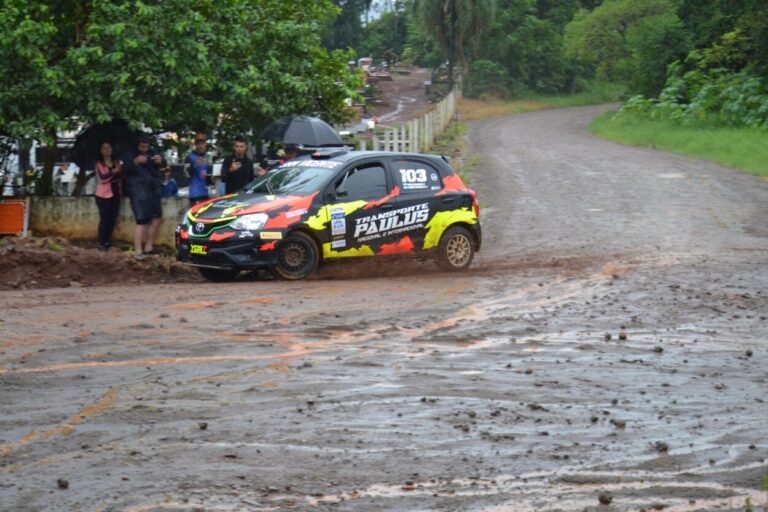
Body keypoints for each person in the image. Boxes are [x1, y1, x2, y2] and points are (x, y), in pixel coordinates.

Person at [122, 135, 165, 258]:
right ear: (137, 145)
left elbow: (162, 166)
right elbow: (124, 170)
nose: (145, 149)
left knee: (156, 217)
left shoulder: (153, 153)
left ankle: (149, 247)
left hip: (153, 189)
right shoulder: (130, 155)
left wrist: (160, 161)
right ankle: (138, 250)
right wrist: (135, 162)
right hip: (137, 190)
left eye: (147, 146)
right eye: (142, 146)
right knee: (141, 220)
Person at [94, 142, 122, 251]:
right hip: (102, 195)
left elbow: (121, 176)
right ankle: (102, 242)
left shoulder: (116, 162)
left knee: (112, 219)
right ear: (101, 151)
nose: (107, 150)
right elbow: (102, 178)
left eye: (109, 148)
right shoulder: (98, 164)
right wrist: (113, 172)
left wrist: (117, 172)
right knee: (104, 219)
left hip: (115, 193)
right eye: (104, 148)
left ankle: (108, 241)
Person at [184, 133, 211, 205]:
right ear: (195, 145)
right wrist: (195, 165)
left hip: (205, 193)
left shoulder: (207, 157)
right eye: (198, 143)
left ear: (205, 144)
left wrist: (210, 177)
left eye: (202, 143)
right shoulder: (189, 157)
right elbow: (186, 175)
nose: (201, 146)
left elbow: (208, 177)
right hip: (195, 195)